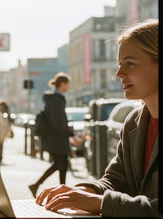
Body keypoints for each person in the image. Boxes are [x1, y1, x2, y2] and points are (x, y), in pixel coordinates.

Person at [35, 19, 159, 217]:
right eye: (119, 64)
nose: (119, 73)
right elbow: (116, 180)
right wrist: (85, 191)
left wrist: (102, 203)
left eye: (130, 63)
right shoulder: (133, 122)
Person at [28, 72, 74, 198]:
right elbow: (58, 121)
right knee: (62, 165)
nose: (68, 87)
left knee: (60, 165)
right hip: (56, 139)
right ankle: (61, 192)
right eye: (67, 84)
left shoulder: (53, 99)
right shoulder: (57, 99)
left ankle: (38, 185)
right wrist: (70, 133)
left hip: (53, 138)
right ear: (62, 84)